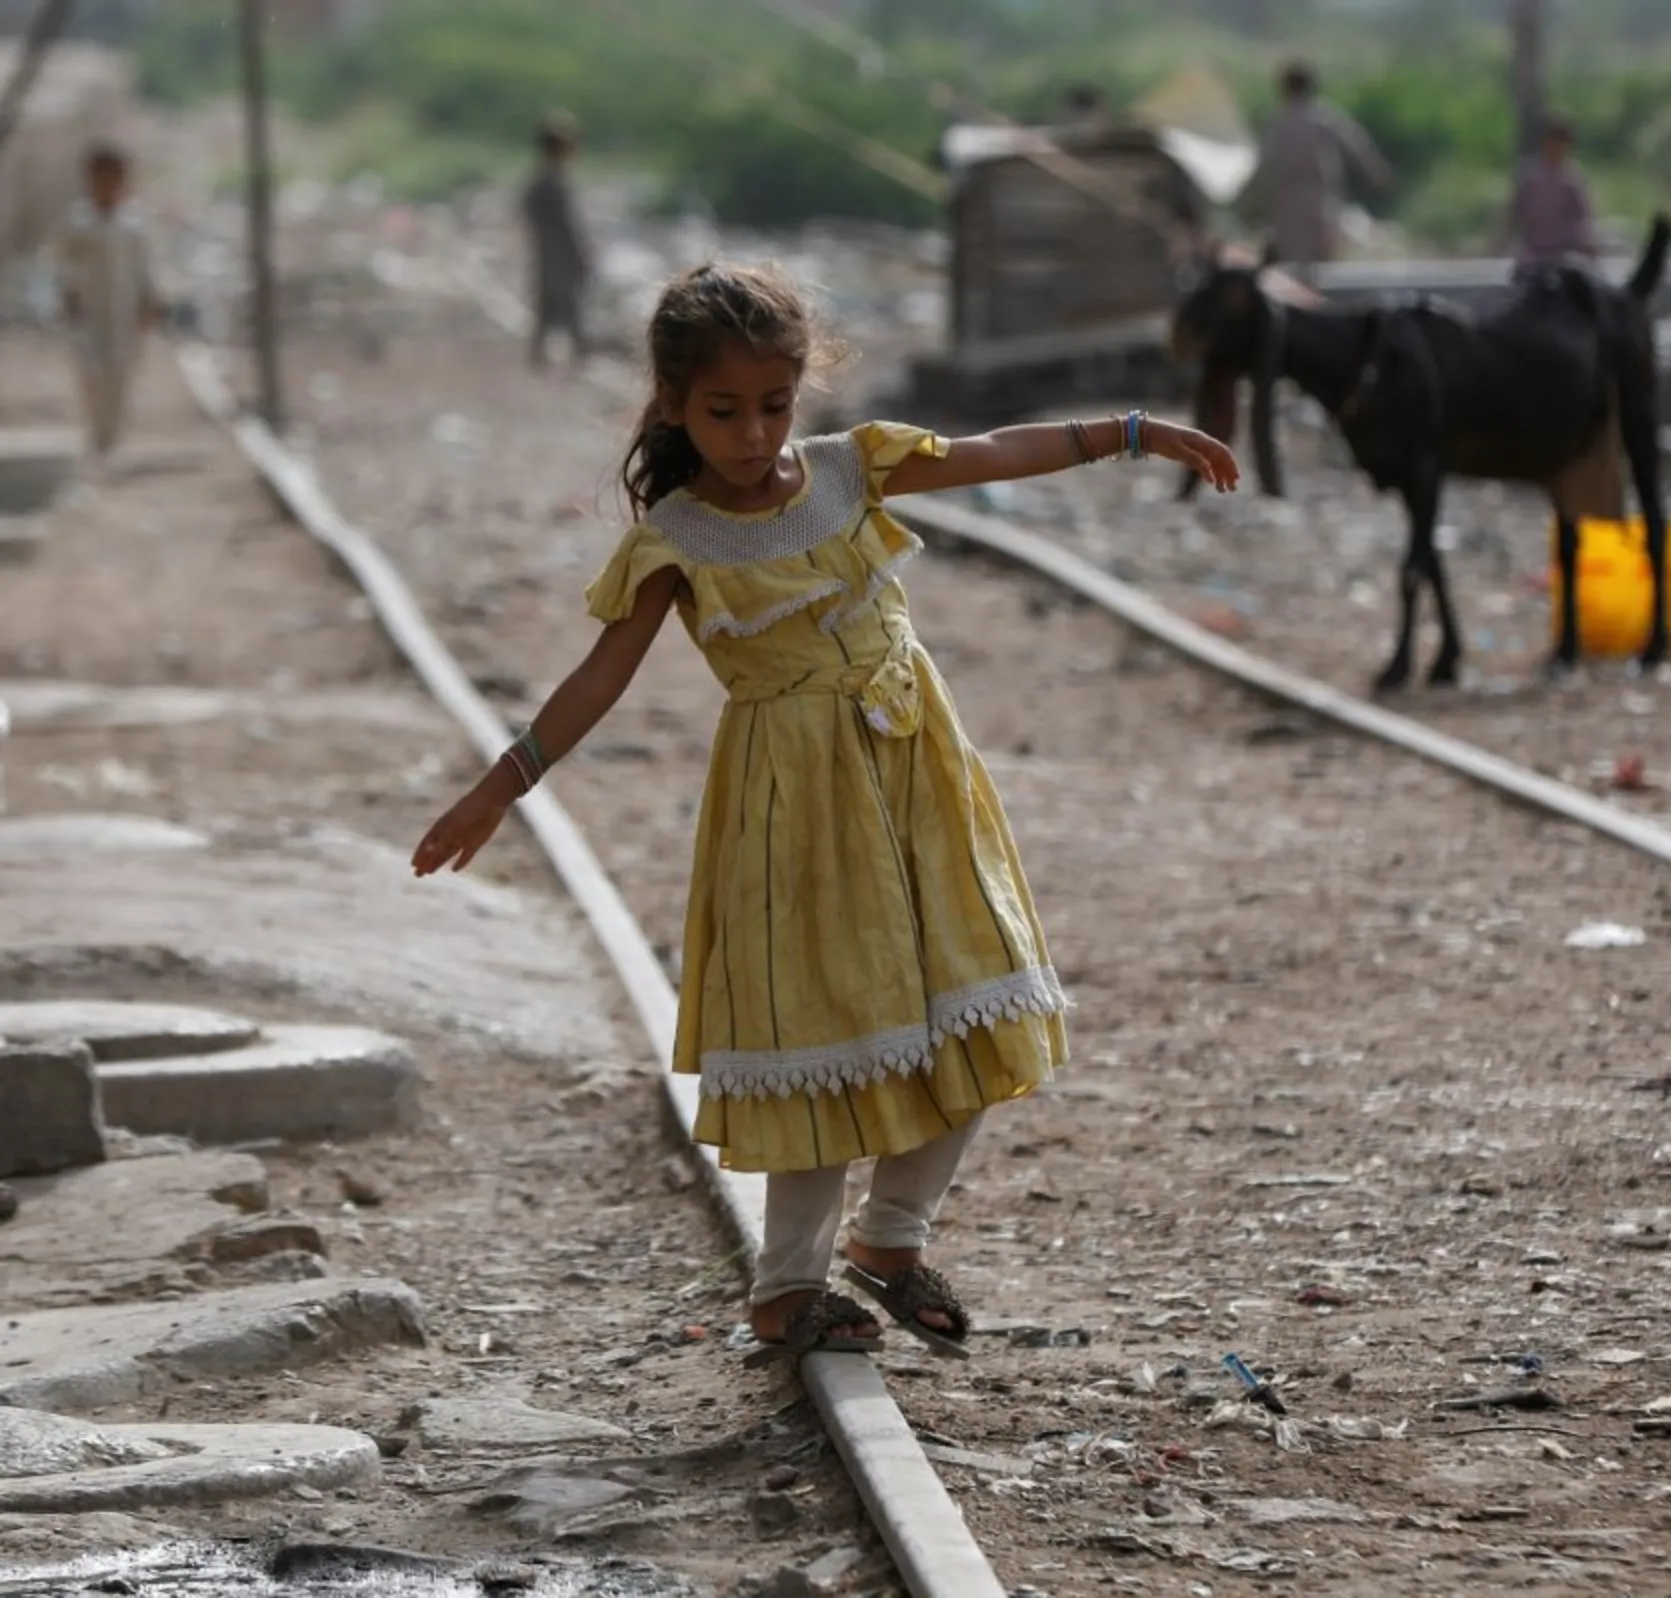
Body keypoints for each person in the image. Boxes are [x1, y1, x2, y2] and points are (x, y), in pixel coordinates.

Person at [411, 263, 1239, 1357]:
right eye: (722, 411)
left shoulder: (857, 469)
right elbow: (600, 677)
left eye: (772, 405)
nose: (752, 434)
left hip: (916, 774)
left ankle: (892, 1240)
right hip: (791, 803)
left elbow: (994, 453)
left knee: (977, 995)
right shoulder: (679, 538)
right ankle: (788, 1281)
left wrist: (1135, 430)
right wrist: (500, 785)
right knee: (820, 1030)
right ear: (670, 403)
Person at [53, 142, 158, 461]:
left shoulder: (133, 224)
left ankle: (111, 439)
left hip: (124, 313)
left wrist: (148, 306)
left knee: (120, 375)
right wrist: (68, 300)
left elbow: (146, 270)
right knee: (91, 375)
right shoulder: (78, 222)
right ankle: (97, 436)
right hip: (90, 311)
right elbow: (63, 265)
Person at [1239, 61, 1390, 271]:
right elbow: (1356, 144)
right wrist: (1376, 171)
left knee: (1293, 266)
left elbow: (1263, 167)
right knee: (1322, 267)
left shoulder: (1279, 124)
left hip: (1289, 206)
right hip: (1319, 203)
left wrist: (1246, 201)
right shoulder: (1323, 117)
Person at [522, 112, 593, 368]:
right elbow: (567, 224)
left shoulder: (540, 180)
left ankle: (542, 356)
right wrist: (579, 253)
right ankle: (579, 357)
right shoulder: (553, 182)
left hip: (546, 252)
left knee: (548, 306)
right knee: (568, 305)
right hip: (558, 254)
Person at [1495, 115, 1602, 272]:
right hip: (1533, 254)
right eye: (1552, 141)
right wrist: (1500, 241)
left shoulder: (1573, 180)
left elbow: (1583, 220)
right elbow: (1514, 212)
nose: (1555, 147)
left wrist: (1590, 248)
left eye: (1560, 142)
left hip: (1564, 254)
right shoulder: (1530, 177)